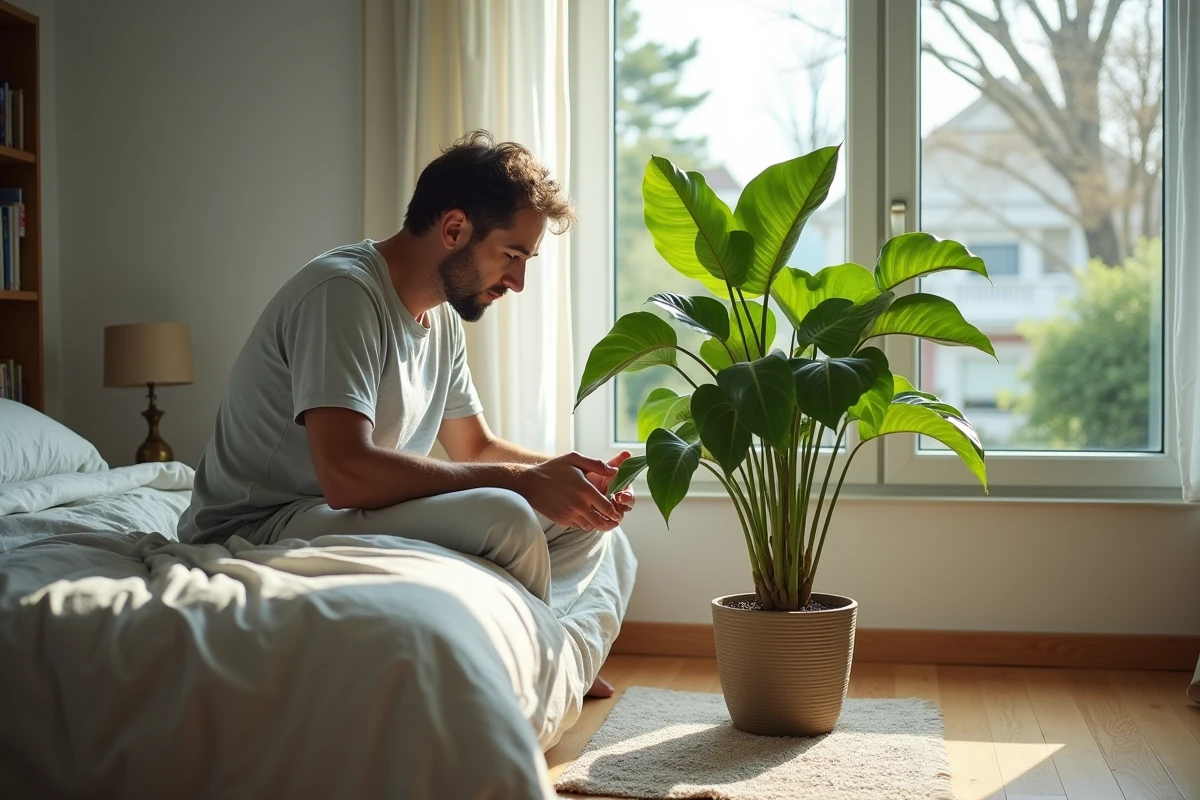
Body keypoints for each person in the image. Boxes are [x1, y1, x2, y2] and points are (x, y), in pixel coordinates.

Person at [177, 130, 633, 698]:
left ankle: (552, 653)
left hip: (346, 511)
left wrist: (568, 476)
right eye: (512, 256)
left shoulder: (440, 319)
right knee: (507, 517)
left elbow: (475, 448)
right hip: (262, 524)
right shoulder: (342, 293)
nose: (517, 282)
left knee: (588, 523)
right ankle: (546, 661)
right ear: (454, 229)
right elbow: (346, 474)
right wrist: (523, 484)